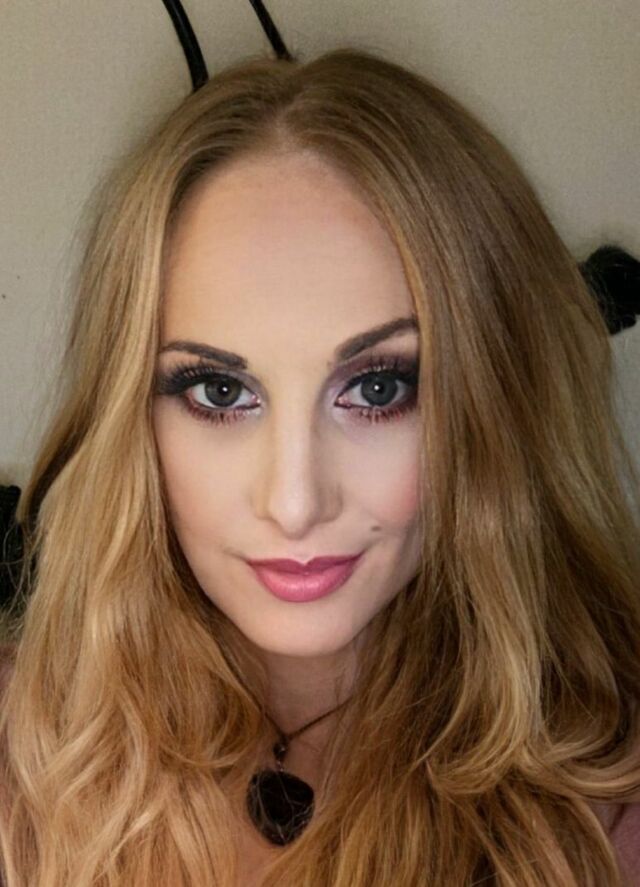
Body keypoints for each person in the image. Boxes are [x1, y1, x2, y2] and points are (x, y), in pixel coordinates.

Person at [0, 45, 639, 887]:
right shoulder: (27, 747)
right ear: (133, 416)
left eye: (378, 387)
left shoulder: (600, 809)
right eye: (220, 391)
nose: (294, 501)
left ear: (493, 402)